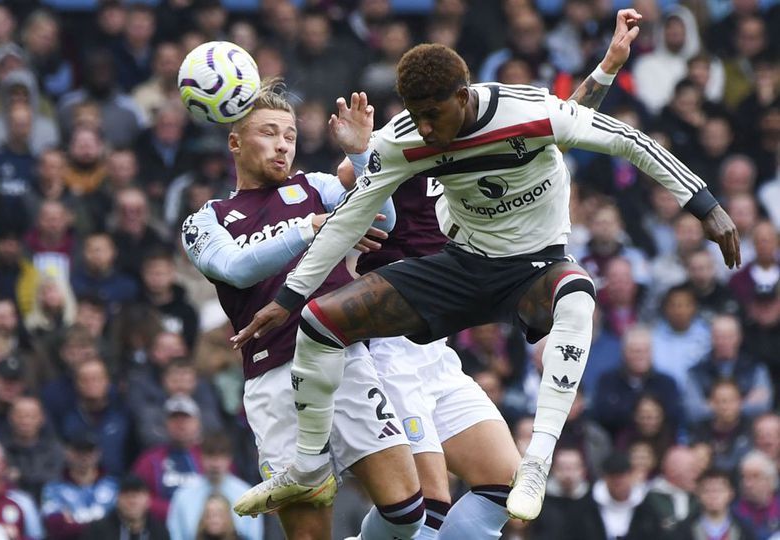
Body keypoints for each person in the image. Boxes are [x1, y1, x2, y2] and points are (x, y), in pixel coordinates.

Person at [233, 33, 741, 522]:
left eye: (432, 115)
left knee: (578, 296)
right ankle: (305, 467)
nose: (426, 130)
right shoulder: (403, 141)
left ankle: (538, 462)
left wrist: (706, 205)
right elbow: (349, 215)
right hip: (456, 273)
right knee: (319, 322)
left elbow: (613, 134)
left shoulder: (525, 114)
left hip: (531, 269)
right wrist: (291, 295)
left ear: (462, 96)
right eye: (416, 117)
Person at [181, 82, 427, 540]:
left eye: (290, 136)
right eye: (269, 133)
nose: (282, 145)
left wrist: (359, 157)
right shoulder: (206, 219)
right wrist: (309, 227)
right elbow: (235, 268)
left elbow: (385, 222)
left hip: (344, 362)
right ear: (234, 141)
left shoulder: (316, 186)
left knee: (408, 514)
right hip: (273, 380)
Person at [167, 433, 262, 540]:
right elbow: (175, 535)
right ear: (201, 457)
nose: (216, 463)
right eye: (210, 456)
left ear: (230, 459)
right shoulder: (182, 496)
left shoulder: (248, 495)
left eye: (221, 456)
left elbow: (255, 536)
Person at [82, 475, 169, 540]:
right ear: (117, 500)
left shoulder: (159, 532)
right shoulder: (98, 530)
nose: (132, 501)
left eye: (137, 495)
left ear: (148, 500)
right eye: (127, 495)